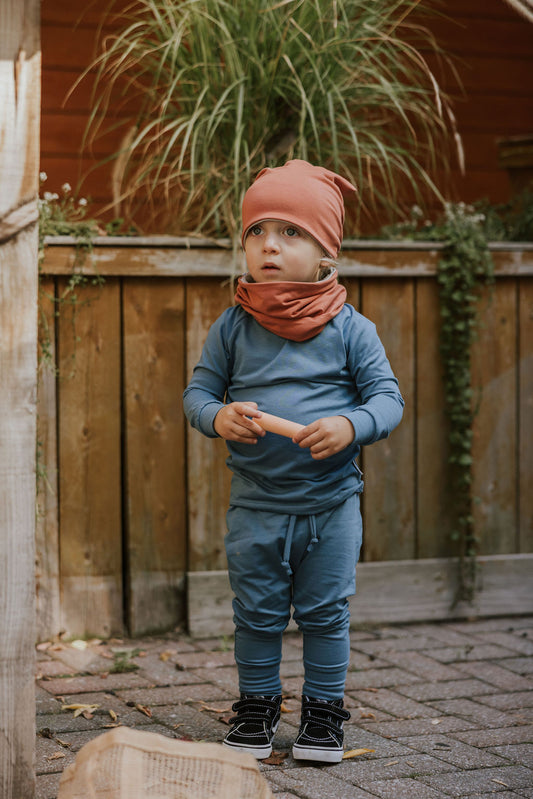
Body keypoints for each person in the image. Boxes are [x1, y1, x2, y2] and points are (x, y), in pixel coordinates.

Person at [183, 159, 404, 764]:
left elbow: (389, 400)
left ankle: (324, 715)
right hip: (257, 503)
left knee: (325, 613)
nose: (268, 245)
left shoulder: (351, 331)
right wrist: (217, 416)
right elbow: (198, 394)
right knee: (255, 613)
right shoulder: (233, 327)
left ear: (326, 256)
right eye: (256, 231)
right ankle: (257, 707)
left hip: (330, 505)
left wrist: (350, 424)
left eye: (290, 232)